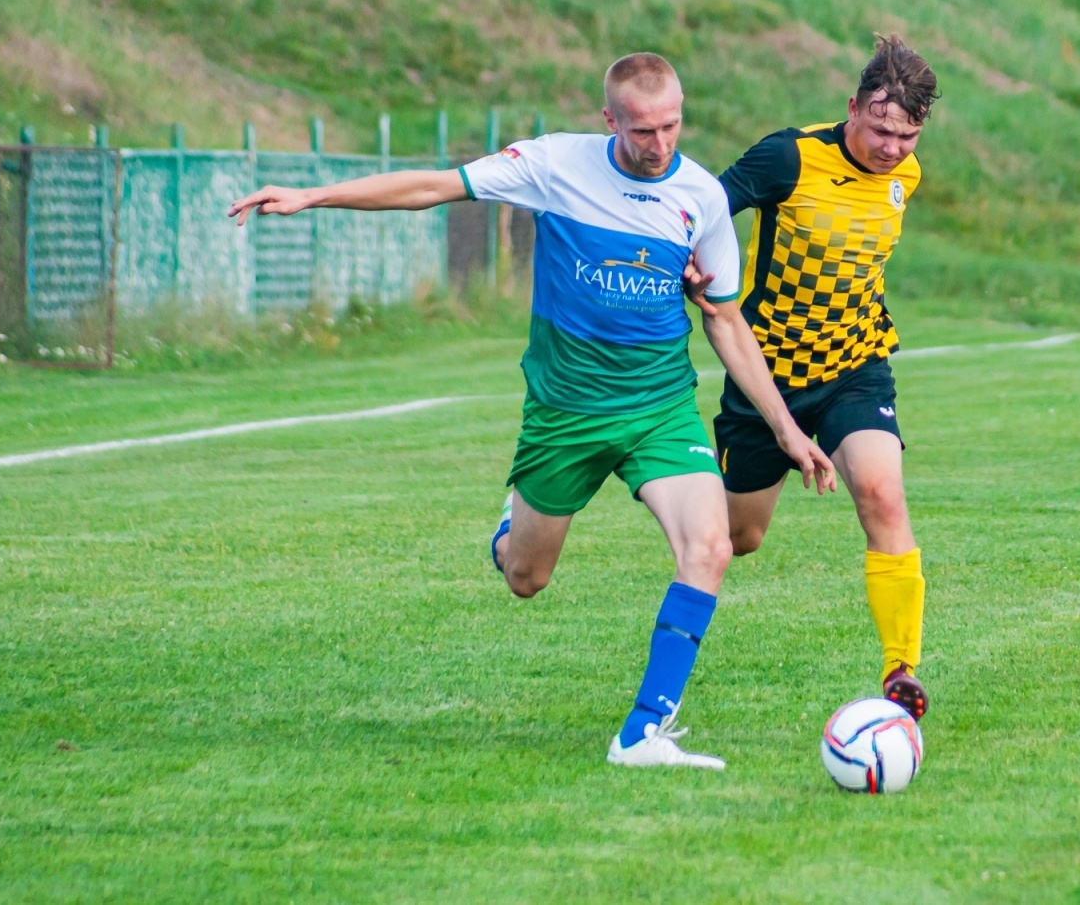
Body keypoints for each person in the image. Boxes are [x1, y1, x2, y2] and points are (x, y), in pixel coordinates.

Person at [228, 53, 835, 770]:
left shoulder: (701, 197)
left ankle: (642, 733)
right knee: (526, 578)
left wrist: (789, 431)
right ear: (609, 120)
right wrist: (313, 196)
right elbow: (434, 187)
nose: (661, 144)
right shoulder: (555, 166)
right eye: (643, 130)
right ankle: (509, 533)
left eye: (672, 126)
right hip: (566, 412)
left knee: (710, 548)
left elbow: (726, 321)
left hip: (659, 406)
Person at [686, 35, 938, 719]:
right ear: (851, 107)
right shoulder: (789, 157)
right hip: (768, 375)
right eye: (880, 129)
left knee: (883, 496)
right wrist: (692, 265)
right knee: (741, 539)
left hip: (856, 365)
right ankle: (680, 500)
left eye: (907, 136)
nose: (891, 148)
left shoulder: (905, 176)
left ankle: (900, 671)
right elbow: (705, 207)